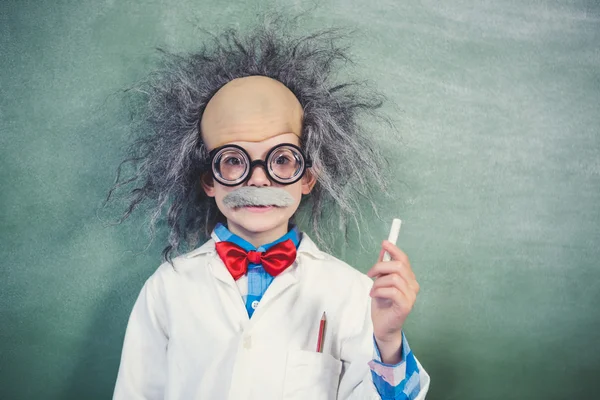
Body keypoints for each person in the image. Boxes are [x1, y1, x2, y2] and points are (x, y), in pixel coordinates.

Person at [110, 16, 430, 400]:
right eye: (233, 159)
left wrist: (388, 338)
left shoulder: (353, 294)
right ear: (208, 180)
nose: (258, 180)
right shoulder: (168, 288)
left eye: (281, 160)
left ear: (308, 177)